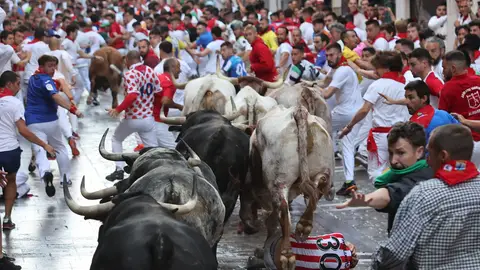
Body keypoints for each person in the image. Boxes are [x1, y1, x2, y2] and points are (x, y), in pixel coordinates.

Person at [371, 124, 480, 269]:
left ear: (443, 156)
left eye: (429, 153)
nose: (427, 159)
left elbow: (395, 253)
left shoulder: (423, 195)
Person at [337, 122, 433, 233]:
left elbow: (392, 194)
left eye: (401, 153)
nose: (393, 161)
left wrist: (366, 199)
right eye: (391, 153)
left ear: (419, 152)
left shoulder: (423, 177)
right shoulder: (402, 172)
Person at [340, 51, 409, 183]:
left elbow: (364, 110)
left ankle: (384, 198)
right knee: (397, 169)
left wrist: (349, 126)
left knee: (375, 173)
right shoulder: (404, 86)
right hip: (401, 136)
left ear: (386, 68)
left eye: (378, 67)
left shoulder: (377, 85)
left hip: (380, 138)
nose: (375, 70)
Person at [0, 71, 56, 231]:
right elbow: (23, 131)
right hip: (9, 150)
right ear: (9, 84)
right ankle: (7, 218)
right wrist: (44, 145)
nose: (19, 87)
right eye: (17, 84)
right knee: (10, 182)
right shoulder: (14, 103)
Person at [25, 55, 83, 197]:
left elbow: (55, 85)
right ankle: (65, 179)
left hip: (33, 121)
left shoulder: (34, 78)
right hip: (50, 120)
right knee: (60, 148)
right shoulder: (46, 80)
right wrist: (73, 109)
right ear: (42, 66)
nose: (53, 69)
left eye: (54, 66)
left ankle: (45, 174)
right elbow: (55, 96)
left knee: (39, 149)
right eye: (50, 66)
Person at [105, 51, 161, 181]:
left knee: (116, 139)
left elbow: (132, 95)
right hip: (148, 118)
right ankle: (155, 172)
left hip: (132, 118)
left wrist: (118, 109)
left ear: (128, 61)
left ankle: (119, 170)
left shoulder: (130, 74)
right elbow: (158, 91)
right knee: (152, 149)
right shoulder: (150, 71)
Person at [319, 43, 364, 196]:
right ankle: (349, 182)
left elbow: (326, 94)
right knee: (347, 145)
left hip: (345, 113)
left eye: (332, 55)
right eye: (327, 56)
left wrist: (308, 88)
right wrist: (311, 82)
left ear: (339, 54)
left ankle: (323, 177)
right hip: (356, 114)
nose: (329, 58)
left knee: (319, 130)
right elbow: (324, 83)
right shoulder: (337, 69)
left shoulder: (343, 70)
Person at [439, 50, 480, 167]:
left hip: (467, 143)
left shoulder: (447, 88)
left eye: (444, 68)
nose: (442, 71)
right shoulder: (478, 80)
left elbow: (444, 120)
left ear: (453, 68)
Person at [380, 80, 459, 141]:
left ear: (424, 98)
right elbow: (462, 134)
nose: (406, 102)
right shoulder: (444, 114)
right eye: (406, 98)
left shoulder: (415, 125)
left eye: (411, 98)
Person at [246, 232, 358, 270]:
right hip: (275, 263)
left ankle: (263, 252)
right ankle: (262, 262)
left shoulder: (339, 237)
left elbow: (348, 245)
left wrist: (349, 245)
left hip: (277, 241)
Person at [153, 58, 183, 149]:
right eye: (178, 67)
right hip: (157, 121)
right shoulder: (169, 82)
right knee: (174, 150)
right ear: (172, 68)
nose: (180, 70)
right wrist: (179, 106)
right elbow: (165, 100)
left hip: (147, 120)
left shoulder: (159, 77)